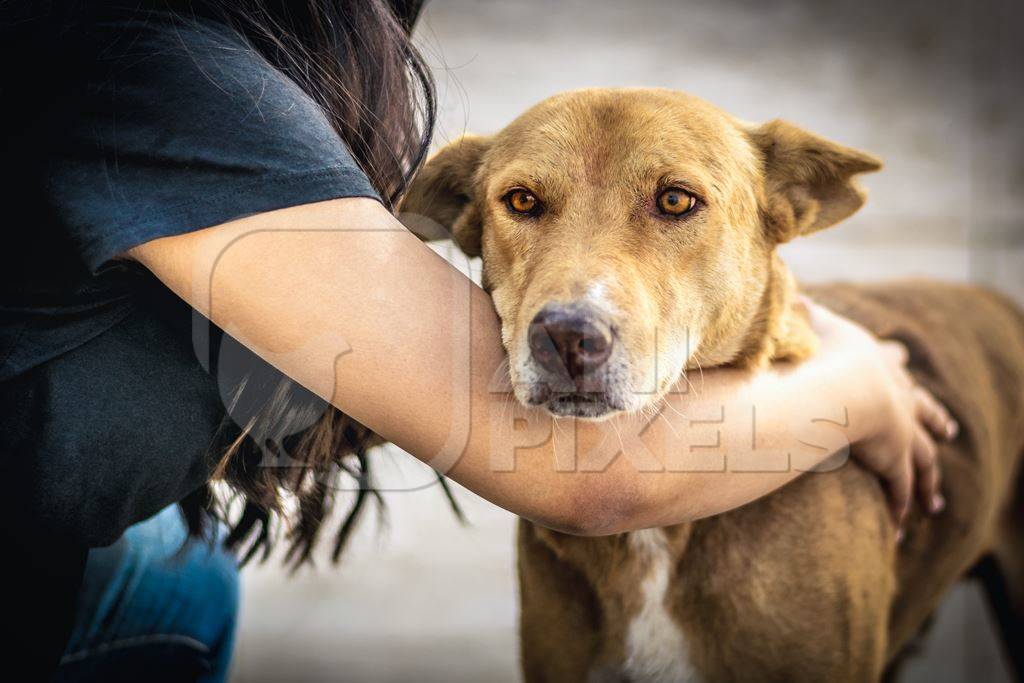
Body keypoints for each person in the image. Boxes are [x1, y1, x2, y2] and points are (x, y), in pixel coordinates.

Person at [0, 0, 955, 679]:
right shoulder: (161, 68)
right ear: (467, 216)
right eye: (526, 205)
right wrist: (861, 388)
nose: (579, 297)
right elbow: (587, 479)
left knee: (189, 578)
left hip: (96, 550)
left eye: (673, 203)